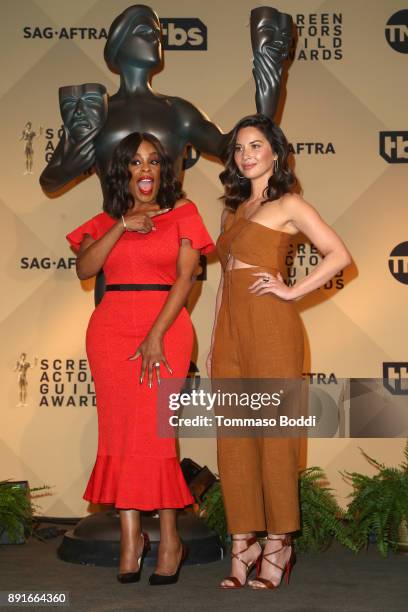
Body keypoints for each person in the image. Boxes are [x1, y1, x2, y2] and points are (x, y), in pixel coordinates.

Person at [207, 114, 352, 590]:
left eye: (256, 146)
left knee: (274, 439)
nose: (246, 154)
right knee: (233, 441)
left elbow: (338, 254)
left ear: (275, 152)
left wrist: (292, 292)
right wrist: (213, 345)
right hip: (230, 332)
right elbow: (224, 281)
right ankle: (242, 540)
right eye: (240, 148)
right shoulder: (231, 211)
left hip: (271, 328)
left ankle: (278, 543)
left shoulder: (289, 203)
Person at [66, 132, 214, 585]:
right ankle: (132, 539)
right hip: (110, 332)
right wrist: (122, 226)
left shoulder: (184, 214)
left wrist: (155, 334)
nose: (144, 169)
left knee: (156, 437)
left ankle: (170, 539)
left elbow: (186, 279)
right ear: (123, 172)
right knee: (119, 434)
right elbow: (86, 269)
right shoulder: (106, 219)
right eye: (134, 162)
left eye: (152, 161)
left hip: (165, 330)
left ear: (162, 170)